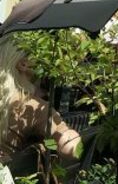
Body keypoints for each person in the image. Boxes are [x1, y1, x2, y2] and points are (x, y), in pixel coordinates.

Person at [0, 40, 82, 171]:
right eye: (40, 56)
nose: (48, 62)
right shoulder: (34, 108)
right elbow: (70, 148)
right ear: (23, 64)